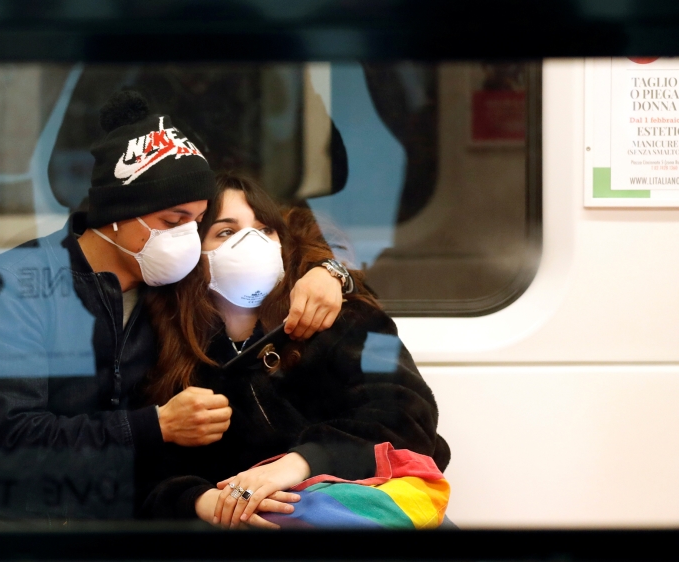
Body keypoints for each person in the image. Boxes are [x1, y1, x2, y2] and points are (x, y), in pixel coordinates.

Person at [0, 92, 348, 528]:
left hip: (105, 517)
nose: (186, 238)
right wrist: (153, 427)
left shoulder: (167, 291)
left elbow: (279, 234)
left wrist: (327, 270)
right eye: (171, 222)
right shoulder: (14, 287)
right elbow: (13, 440)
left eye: (196, 222)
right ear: (119, 215)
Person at [138, 174, 451, 529]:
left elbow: (409, 417)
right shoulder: (167, 350)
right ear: (193, 253)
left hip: (370, 504)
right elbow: (146, 469)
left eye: (264, 230)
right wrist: (199, 499)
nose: (251, 243)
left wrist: (298, 463)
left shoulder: (341, 315)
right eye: (226, 232)